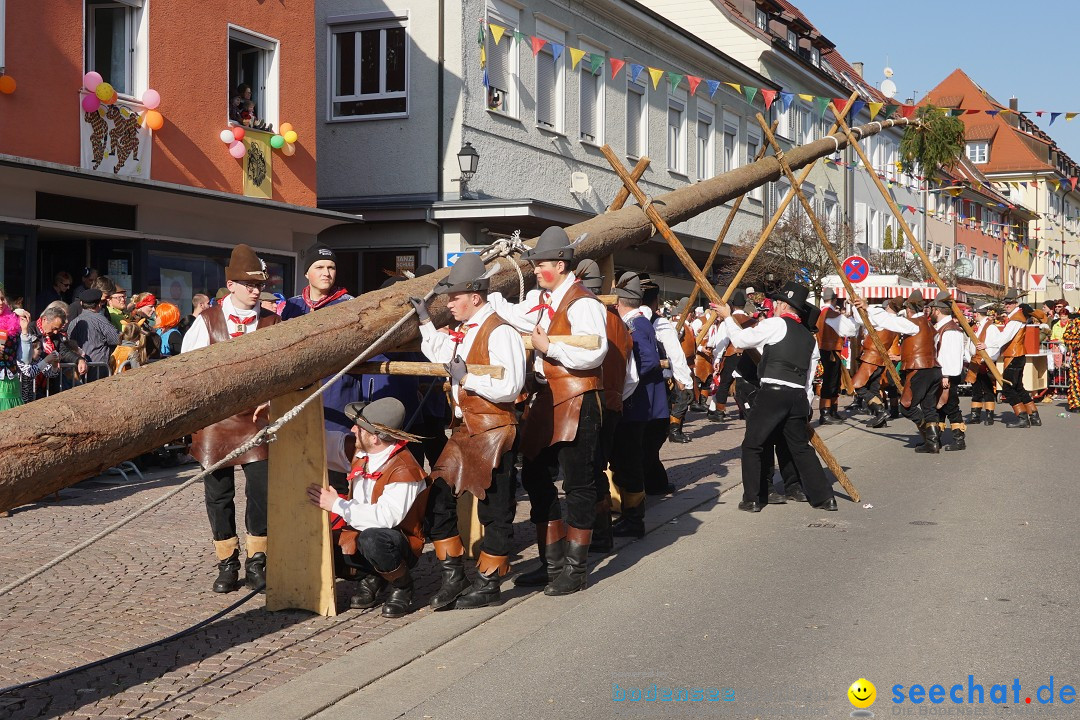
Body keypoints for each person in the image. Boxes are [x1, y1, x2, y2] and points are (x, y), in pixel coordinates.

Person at [486, 226, 608, 596]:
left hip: (577, 397)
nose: (535, 270)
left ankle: (576, 568)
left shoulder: (583, 303)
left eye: (541, 264)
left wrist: (550, 347)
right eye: (535, 264)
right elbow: (521, 318)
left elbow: (594, 353)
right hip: (546, 397)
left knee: (578, 483)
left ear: (561, 264)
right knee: (537, 477)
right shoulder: (546, 297)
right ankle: (551, 562)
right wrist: (489, 299)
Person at [410, 254, 526, 610]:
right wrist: (425, 321)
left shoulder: (501, 331)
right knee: (437, 499)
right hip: (465, 430)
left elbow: (511, 386)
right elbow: (441, 353)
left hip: (494, 430)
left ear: (475, 297)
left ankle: (489, 583)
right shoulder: (469, 330)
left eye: (454, 298)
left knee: (495, 511)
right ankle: (454, 577)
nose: (449, 304)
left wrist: (466, 379)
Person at [180, 244, 280, 593]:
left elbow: (282, 370)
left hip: (257, 418)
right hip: (216, 422)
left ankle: (258, 560)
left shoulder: (272, 321)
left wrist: (270, 398)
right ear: (231, 284)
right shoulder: (206, 321)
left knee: (261, 492)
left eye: (259, 285)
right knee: (218, 494)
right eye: (249, 284)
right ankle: (227, 562)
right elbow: (187, 371)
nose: (256, 290)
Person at [716, 281, 836, 512]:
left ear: (782, 306)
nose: (776, 306)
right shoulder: (810, 339)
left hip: (773, 393)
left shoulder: (775, 324)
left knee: (753, 444)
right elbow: (810, 378)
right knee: (801, 448)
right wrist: (806, 404)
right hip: (798, 396)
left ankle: (753, 499)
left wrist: (728, 317)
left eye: (778, 303)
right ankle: (825, 498)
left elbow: (741, 341)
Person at [310, 398, 430, 619]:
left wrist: (336, 504)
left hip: (399, 543)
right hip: (361, 533)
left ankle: (402, 586)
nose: (353, 429)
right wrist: (280, 416)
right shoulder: (362, 453)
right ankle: (374, 575)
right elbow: (323, 441)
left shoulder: (404, 469)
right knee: (319, 544)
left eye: (360, 427)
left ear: (374, 438)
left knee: (373, 540)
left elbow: (385, 519)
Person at [568, 259, 634, 555]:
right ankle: (601, 532)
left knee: (587, 472)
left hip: (590, 404)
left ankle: (597, 534)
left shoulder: (583, 316)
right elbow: (632, 377)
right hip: (613, 405)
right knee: (596, 468)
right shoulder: (619, 322)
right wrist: (617, 396)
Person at [281, 244, 360, 473]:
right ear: (307, 273)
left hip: (338, 395)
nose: (327, 272)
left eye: (331, 267)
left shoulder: (349, 304)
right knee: (301, 467)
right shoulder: (292, 306)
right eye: (320, 267)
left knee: (337, 467)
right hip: (299, 399)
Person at [608, 272, 666, 538]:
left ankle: (634, 519)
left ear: (620, 302)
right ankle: (631, 517)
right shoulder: (640, 322)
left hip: (634, 405)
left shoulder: (636, 326)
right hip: (637, 404)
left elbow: (649, 361)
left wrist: (623, 386)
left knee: (629, 463)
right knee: (627, 462)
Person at [641, 276, 693, 450]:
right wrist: (685, 381)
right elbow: (675, 355)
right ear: (656, 301)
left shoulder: (624, 318)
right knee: (654, 436)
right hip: (658, 383)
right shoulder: (660, 323)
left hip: (631, 384)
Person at [894, 290, 944, 452]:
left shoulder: (912, 323)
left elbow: (888, 322)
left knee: (906, 406)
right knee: (929, 407)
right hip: (934, 369)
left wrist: (867, 309)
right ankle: (933, 443)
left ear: (909, 310)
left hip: (920, 369)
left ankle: (929, 434)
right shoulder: (929, 324)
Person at [984, 292, 1041, 428]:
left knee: (1008, 388)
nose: (1007, 305)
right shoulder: (1016, 317)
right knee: (1018, 387)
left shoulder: (1016, 319)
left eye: (1010, 303)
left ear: (1016, 303)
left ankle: (1022, 417)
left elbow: (1005, 337)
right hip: (1016, 355)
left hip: (1014, 356)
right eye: (1006, 303)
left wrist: (988, 344)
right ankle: (1033, 415)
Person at [850, 296, 907, 428]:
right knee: (874, 388)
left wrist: (854, 305)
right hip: (881, 359)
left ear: (889, 305)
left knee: (858, 385)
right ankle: (880, 418)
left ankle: (880, 411)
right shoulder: (896, 322)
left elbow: (860, 319)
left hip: (872, 357)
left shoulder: (883, 318)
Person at [1, 285, 59, 411]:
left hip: (11, 383)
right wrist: (15, 312)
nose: (0, 302)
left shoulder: (11, 323)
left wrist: (25, 331)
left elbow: (25, 360)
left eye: (1, 299)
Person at [927, 292, 968, 451]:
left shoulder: (951, 330)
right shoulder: (943, 327)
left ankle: (959, 440)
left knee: (950, 406)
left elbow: (949, 356)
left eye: (932, 309)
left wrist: (945, 376)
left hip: (947, 375)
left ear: (937, 310)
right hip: (942, 374)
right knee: (940, 407)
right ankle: (936, 438)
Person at [815, 288, 858, 425]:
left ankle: (831, 410)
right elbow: (850, 330)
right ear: (834, 300)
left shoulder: (821, 313)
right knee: (830, 382)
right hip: (831, 351)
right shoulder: (832, 314)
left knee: (832, 381)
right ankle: (826, 412)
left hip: (824, 350)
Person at [66, 288, 120, 381]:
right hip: (98, 368)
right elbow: (116, 338)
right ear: (99, 304)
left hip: (79, 368)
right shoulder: (100, 319)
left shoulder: (73, 322)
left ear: (81, 304)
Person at [965, 303, 998, 425]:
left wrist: (987, 356)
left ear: (978, 314)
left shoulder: (991, 328)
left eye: (974, 313)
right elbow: (969, 344)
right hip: (974, 362)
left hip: (985, 363)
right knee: (976, 389)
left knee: (988, 389)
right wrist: (969, 358)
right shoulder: (974, 327)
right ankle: (975, 416)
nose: (973, 316)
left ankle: (989, 416)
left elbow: (996, 345)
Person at [1063, 312, 1080, 412]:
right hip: (1077, 359)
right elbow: (1066, 337)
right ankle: (1076, 404)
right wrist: (1077, 340)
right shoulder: (1074, 323)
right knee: (1075, 381)